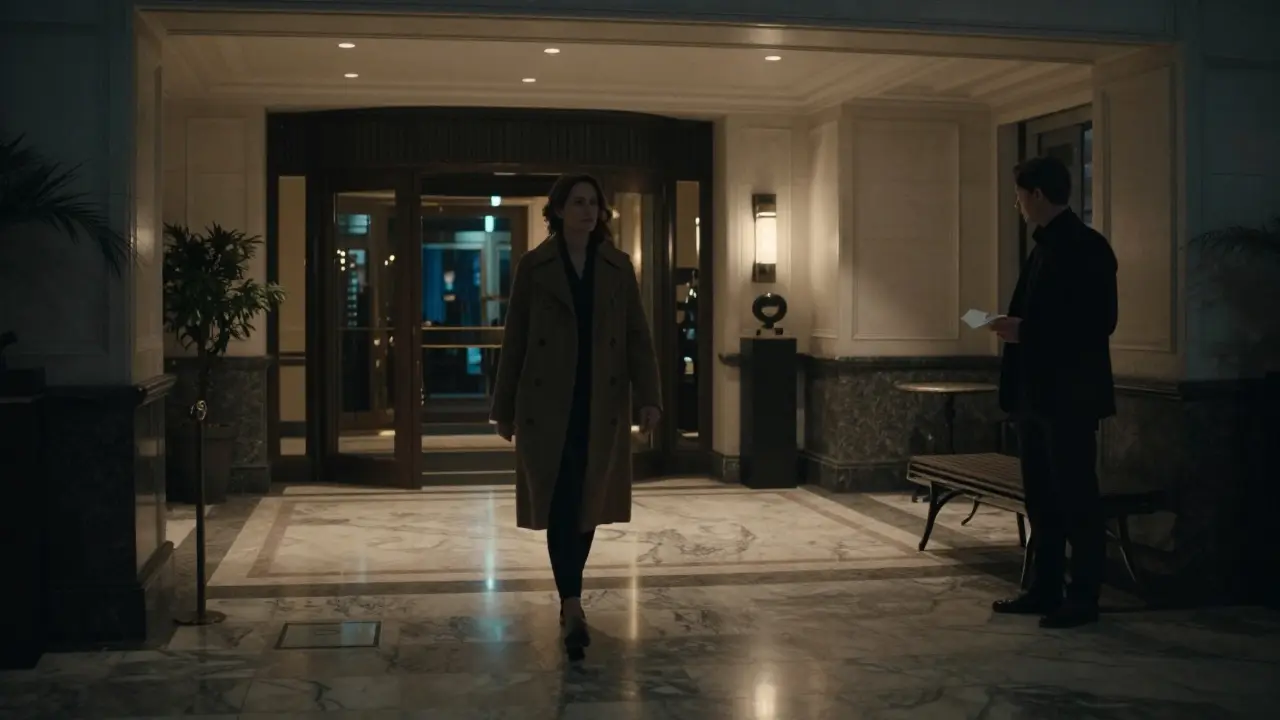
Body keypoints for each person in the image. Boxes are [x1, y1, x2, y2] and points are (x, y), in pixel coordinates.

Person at [490, 173, 662, 659]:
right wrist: (503, 409)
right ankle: (571, 603)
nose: (588, 210)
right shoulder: (534, 266)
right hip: (547, 406)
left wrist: (650, 396)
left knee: (587, 502)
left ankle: (570, 601)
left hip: (600, 403)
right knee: (560, 503)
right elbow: (516, 339)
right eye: (578, 202)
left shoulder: (617, 266)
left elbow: (637, 338)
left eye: (594, 203)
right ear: (559, 210)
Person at [988, 155, 1118, 629]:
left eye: (1020, 195)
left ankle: (1083, 596)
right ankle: (1044, 587)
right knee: (1041, 499)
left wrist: (1027, 331)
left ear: (1037, 195)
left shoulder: (1086, 248)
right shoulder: (1043, 247)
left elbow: (1097, 322)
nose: (1017, 204)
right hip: (1035, 396)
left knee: (1077, 497)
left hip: (1069, 396)